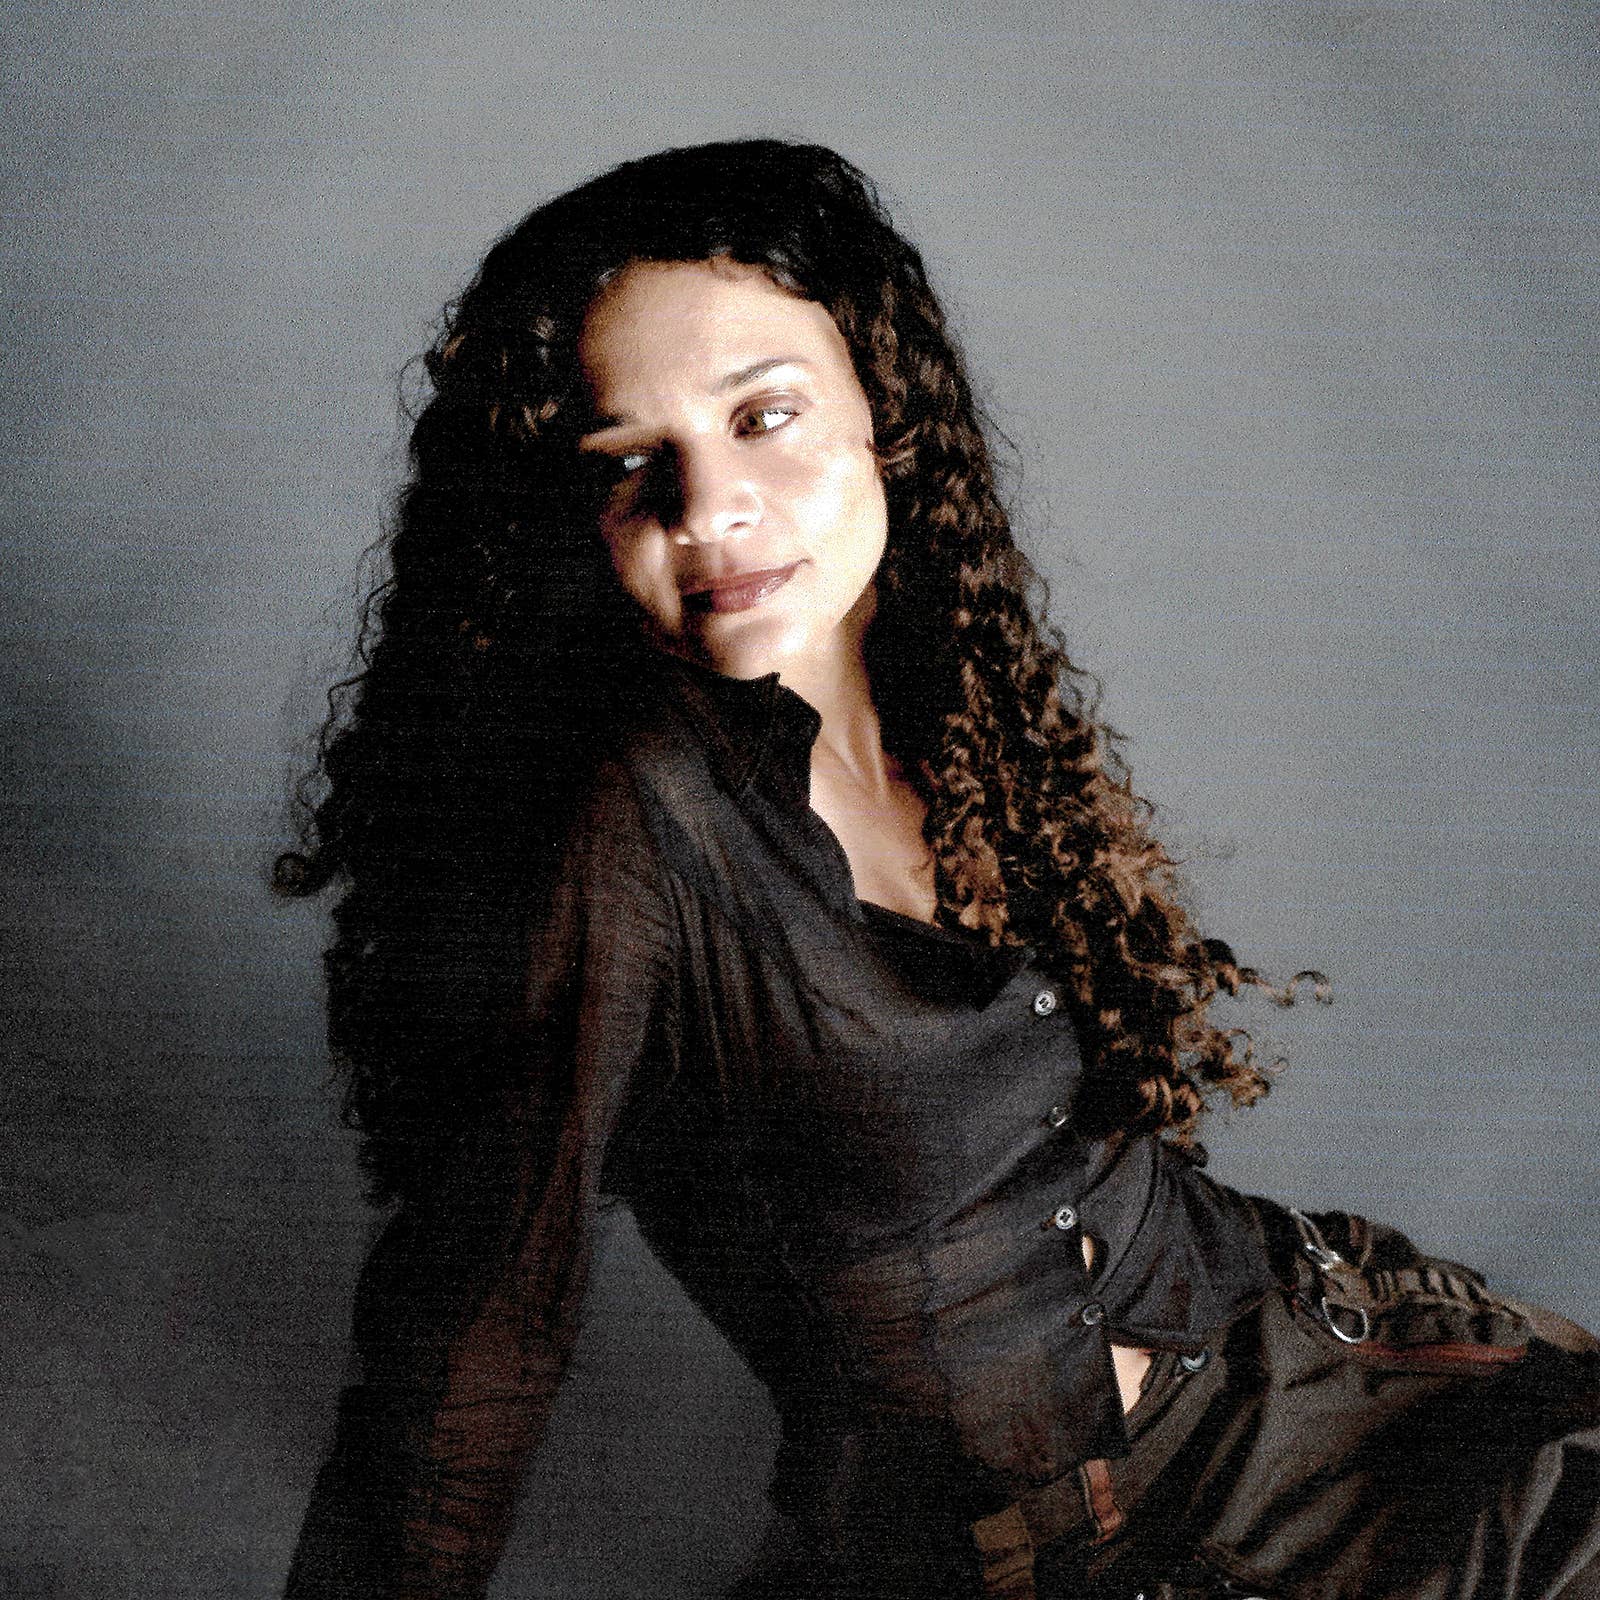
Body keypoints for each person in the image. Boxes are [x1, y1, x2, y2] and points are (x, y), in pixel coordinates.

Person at [275, 140, 1600, 1600]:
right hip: (1115, 1551)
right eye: (629, 462)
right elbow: (471, 1341)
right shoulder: (617, 827)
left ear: (884, 412)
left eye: (763, 417)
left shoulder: (940, 683)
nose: (707, 506)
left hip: (1325, 1365)